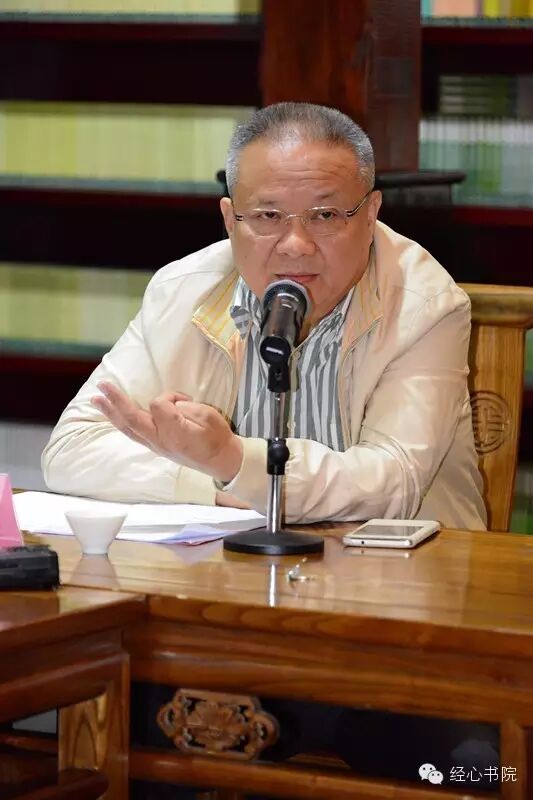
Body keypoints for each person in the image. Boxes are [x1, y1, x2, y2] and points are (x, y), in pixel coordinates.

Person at [42, 102, 486, 529]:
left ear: (370, 215)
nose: (295, 244)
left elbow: (393, 482)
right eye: (268, 215)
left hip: (396, 568)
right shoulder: (181, 291)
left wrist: (235, 462)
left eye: (325, 215)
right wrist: (213, 480)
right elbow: (72, 449)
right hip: (228, 566)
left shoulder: (425, 305)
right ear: (230, 219)